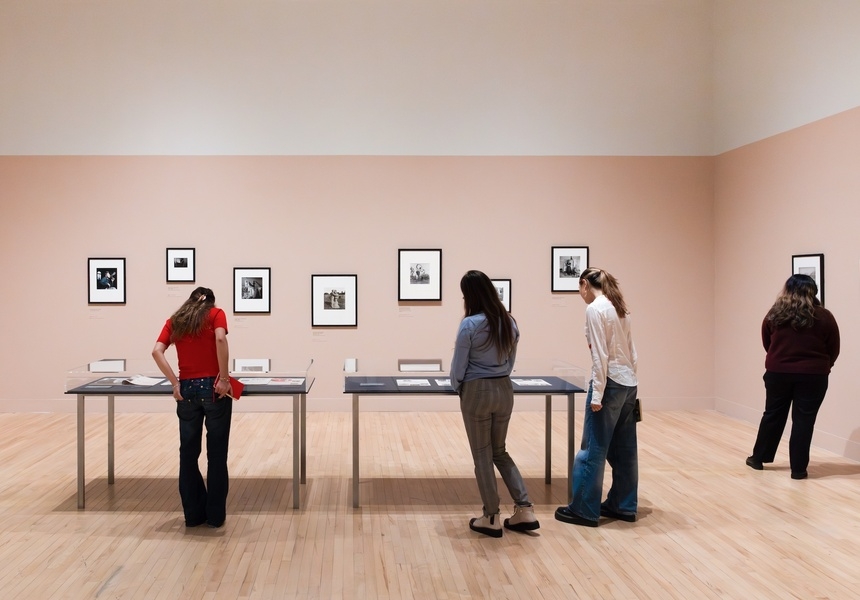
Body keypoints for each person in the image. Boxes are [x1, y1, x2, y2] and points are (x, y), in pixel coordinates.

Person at [450, 270, 539, 538]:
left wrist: (458, 387)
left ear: (470, 295)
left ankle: (491, 516)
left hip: (477, 391)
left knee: (482, 454)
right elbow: (510, 363)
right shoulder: (509, 322)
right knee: (499, 451)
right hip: (504, 389)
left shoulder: (470, 325)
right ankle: (525, 509)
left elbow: (458, 367)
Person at [556, 267, 638, 528]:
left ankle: (584, 508)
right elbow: (632, 353)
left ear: (584, 285)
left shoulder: (595, 309)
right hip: (628, 383)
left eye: (579, 290)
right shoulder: (619, 307)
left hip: (609, 384)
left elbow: (600, 355)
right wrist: (632, 384)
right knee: (625, 450)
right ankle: (623, 505)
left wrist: (597, 394)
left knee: (592, 448)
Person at [152, 286, 234, 528]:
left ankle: (193, 515)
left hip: (186, 390)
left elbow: (157, 351)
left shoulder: (175, 321)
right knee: (217, 455)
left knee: (188, 454)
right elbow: (220, 338)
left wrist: (174, 382)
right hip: (214, 389)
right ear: (211, 302)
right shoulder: (216, 314)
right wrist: (225, 378)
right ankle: (215, 516)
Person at [746, 274, 839, 480]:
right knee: (803, 421)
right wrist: (823, 366)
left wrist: (780, 359)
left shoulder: (774, 315)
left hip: (778, 373)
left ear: (787, 291)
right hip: (813, 375)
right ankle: (798, 469)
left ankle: (758, 458)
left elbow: (767, 343)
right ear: (813, 291)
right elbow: (833, 348)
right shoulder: (824, 316)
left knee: (772, 415)